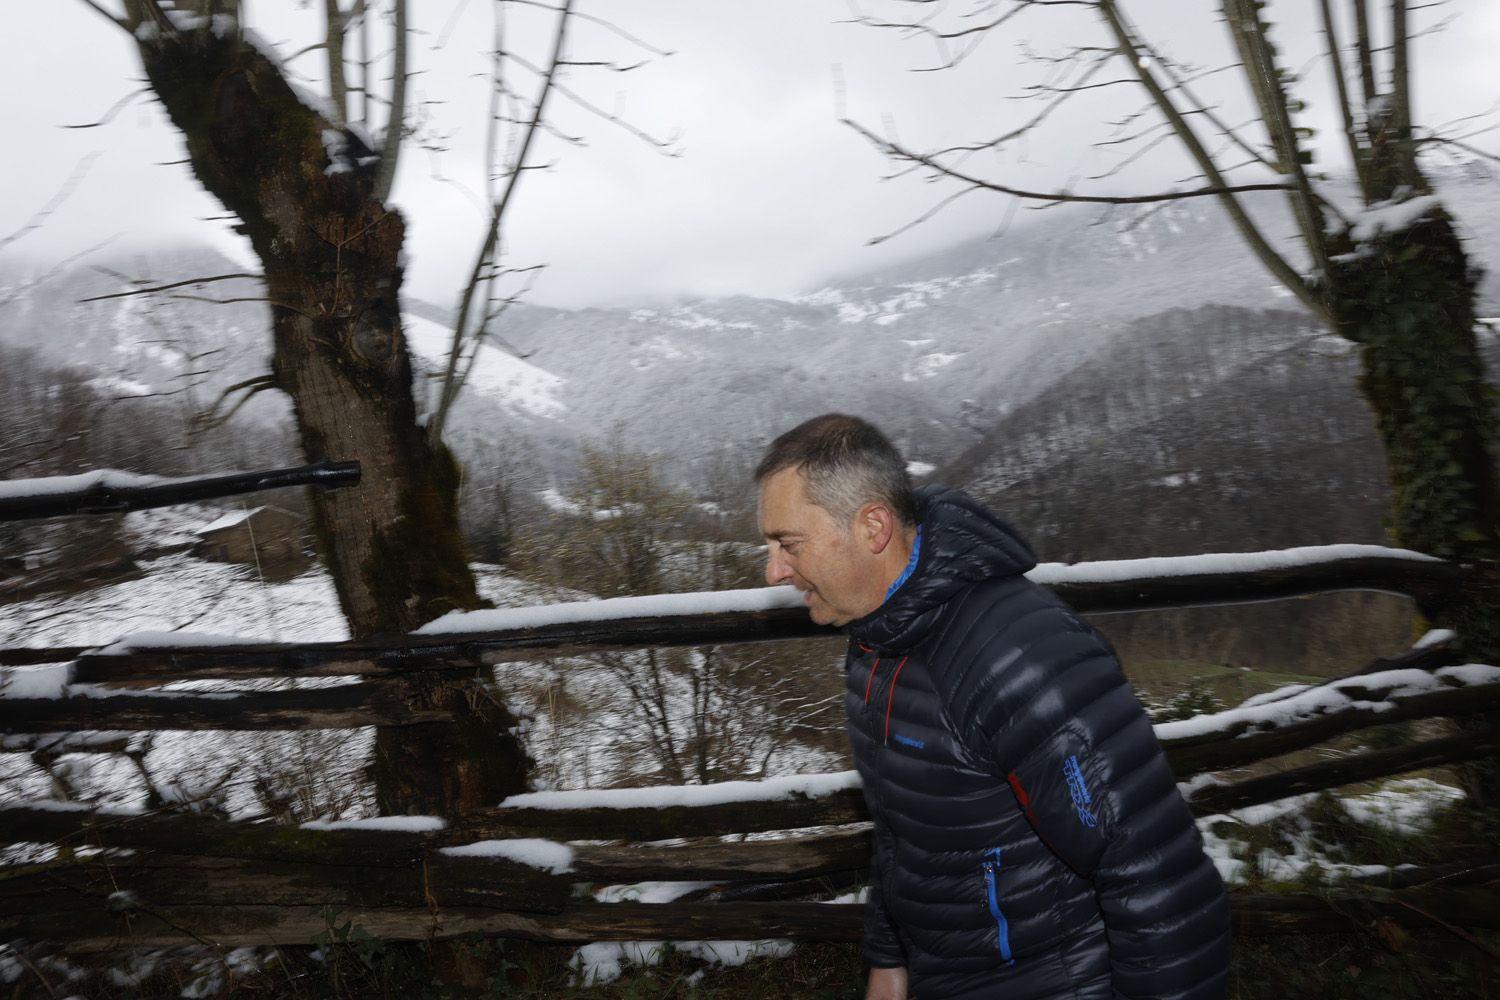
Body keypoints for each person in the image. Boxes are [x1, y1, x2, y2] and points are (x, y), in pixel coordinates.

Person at [755, 413, 1230, 1000]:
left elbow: (1157, 879)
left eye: (788, 542)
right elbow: (907, 824)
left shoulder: (1016, 658)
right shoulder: (878, 641)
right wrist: (889, 957)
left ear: (873, 526)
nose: (774, 569)